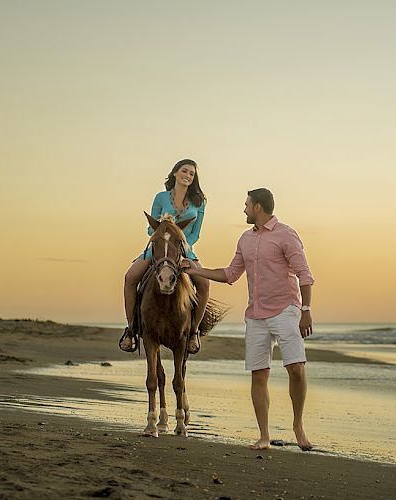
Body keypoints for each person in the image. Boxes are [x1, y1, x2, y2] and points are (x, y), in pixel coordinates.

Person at [182, 188, 315, 450]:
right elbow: (231, 274)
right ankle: (264, 436)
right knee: (258, 374)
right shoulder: (244, 239)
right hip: (255, 315)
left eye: (246, 205)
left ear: (258, 207)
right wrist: (196, 269)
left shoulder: (286, 234)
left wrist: (306, 310)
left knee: (296, 369)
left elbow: (304, 274)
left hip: (286, 310)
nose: (243, 209)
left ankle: (298, 425)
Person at [121, 159, 209, 354]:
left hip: (185, 250)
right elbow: (148, 229)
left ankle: (193, 332)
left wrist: (184, 250)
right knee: (130, 277)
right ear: (175, 173)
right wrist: (161, 230)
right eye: (184, 171)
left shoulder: (199, 202)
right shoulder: (160, 198)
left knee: (204, 283)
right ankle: (131, 329)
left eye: (192, 174)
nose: (188, 175)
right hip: (159, 249)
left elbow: (195, 233)